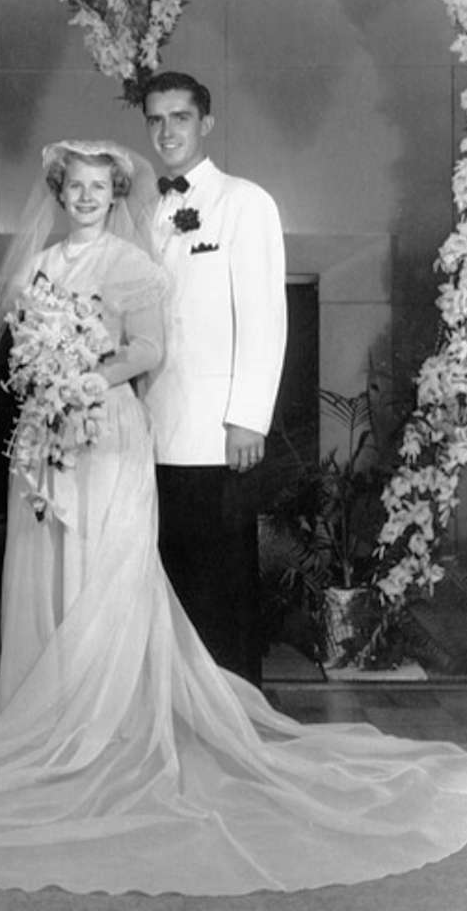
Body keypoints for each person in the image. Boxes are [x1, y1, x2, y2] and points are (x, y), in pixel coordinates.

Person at [0, 140, 467, 897]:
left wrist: (86, 375)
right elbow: (17, 354)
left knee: (107, 562)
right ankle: (48, 716)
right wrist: (45, 382)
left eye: (98, 188)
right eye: (73, 186)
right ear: (59, 190)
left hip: (107, 427)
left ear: (115, 194)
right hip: (48, 434)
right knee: (49, 563)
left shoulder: (134, 265)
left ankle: (108, 720)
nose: (84, 198)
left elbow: (151, 348)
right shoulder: (42, 266)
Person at [139, 71, 286, 687]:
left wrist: (246, 417)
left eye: (180, 117)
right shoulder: (140, 209)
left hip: (215, 430)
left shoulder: (246, 202)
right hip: (147, 426)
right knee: (162, 578)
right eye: (156, 120)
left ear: (206, 124)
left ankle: (233, 720)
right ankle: (173, 717)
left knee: (219, 582)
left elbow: (263, 316)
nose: (168, 131)